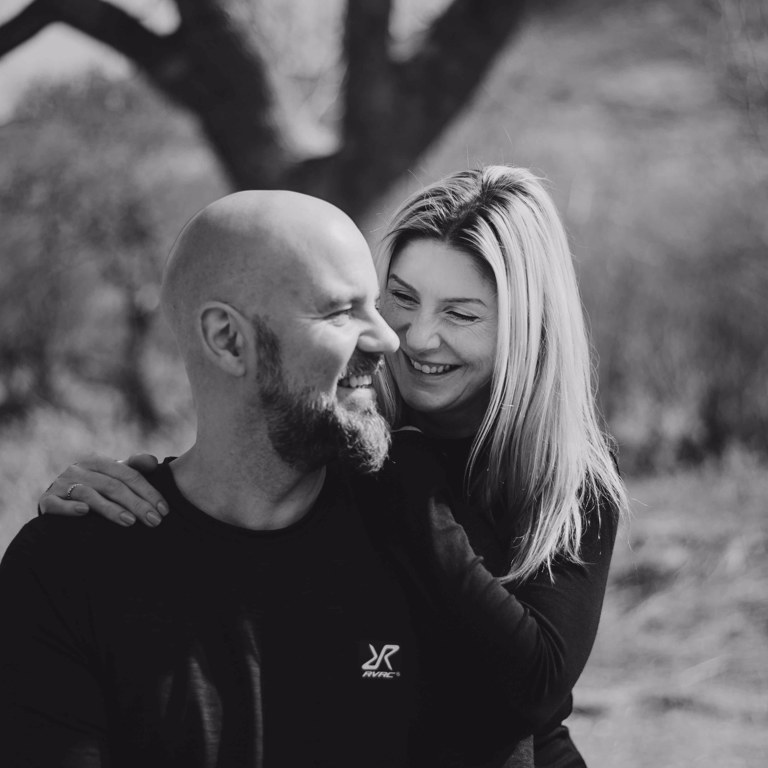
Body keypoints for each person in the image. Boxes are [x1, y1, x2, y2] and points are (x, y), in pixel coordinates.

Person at [36, 166, 628, 766]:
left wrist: (411, 477)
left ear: (523, 330)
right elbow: (250, 460)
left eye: (462, 314)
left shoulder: (559, 482)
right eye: (399, 297)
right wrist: (124, 498)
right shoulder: (347, 430)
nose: (412, 339)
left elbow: (533, 697)